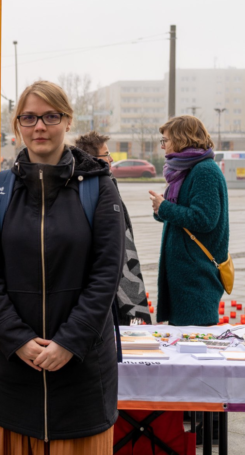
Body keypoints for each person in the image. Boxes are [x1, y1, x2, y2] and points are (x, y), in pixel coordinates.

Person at [0, 81, 125, 455]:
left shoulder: (100, 188)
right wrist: (17, 339)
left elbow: (106, 275)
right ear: (17, 125)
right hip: (15, 371)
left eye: (50, 116)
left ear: (67, 120)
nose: (39, 126)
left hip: (80, 373)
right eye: (29, 117)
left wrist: (69, 343)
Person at [149, 115, 228, 326]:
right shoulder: (185, 170)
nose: (163, 146)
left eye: (165, 140)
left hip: (197, 276)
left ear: (181, 138)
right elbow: (184, 213)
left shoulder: (205, 171)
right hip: (185, 274)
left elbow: (204, 219)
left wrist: (165, 207)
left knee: (195, 340)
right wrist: (162, 209)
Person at [75, 131, 151, 325]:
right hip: (106, 284)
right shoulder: (100, 187)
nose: (110, 159)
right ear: (93, 159)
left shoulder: (101, 183)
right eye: (106, 155)